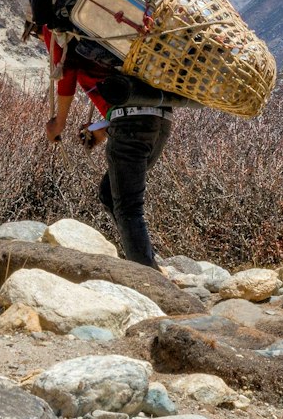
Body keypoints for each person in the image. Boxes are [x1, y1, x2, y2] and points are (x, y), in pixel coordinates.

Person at [42, 28, 182, 269]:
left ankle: (148, 278)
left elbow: (65, 71)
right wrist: (101, 128)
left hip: (131, 121)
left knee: (128, 207)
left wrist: (59, 122)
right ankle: (147, 261)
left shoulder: (58, 28)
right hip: (160, 120)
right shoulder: (111, 38)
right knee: (109, 193)